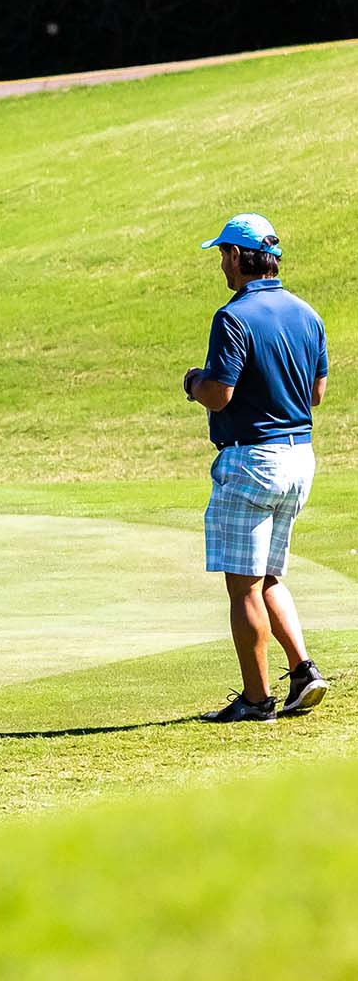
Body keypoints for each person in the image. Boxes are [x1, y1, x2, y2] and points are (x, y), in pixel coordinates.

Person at [185, 213, 330, 723]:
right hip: (299, 457)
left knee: (243, 584)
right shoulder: (307, 314)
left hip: (253, 458)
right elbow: (316, 394)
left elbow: (219, 395)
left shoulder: (233, 317)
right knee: (268, 575)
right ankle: (304, 670)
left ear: (236, 257)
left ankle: (256, 698)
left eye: (222, 254)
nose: (221, 264)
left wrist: (193, 382)